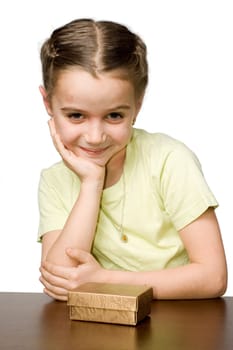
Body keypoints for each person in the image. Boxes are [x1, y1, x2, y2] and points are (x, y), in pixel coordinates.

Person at [38, 18, 227, 301]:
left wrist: (106, 280)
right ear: (48, 104)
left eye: (114, 116)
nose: (94, 136)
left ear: (136, 107)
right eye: (76, 115)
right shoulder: (54, 180)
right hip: (101, 332)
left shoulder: (169, 160)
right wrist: (91, 183)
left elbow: (213, 277)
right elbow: (61, 282)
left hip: (180, 328)